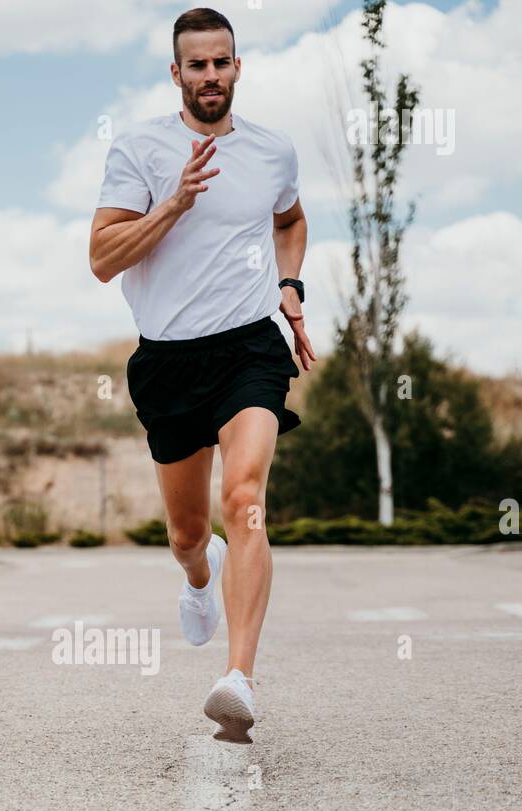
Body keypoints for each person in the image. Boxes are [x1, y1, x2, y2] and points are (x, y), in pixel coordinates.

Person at [89, 6, 315, 742]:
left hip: (249, 349)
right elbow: (102, 259)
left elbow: (290, 219)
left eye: (222, 62)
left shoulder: (271, 150)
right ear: (176, 73)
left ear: (238, 67)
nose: (211, 76)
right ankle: (197, 577)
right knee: (188, 533)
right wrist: (175, 205)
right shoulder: (141, 149)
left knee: (244, 497)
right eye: (197, 65)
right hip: (168, 360)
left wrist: (291, 287)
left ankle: (239, 678)